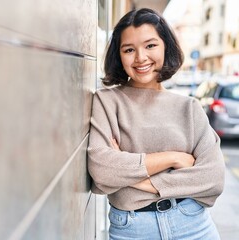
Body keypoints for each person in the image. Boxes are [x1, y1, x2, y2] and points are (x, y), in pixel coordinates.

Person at [87, 8, 225, 240]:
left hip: (193, 225)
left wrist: (135, 178)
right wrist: (173, 158)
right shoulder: (107, 101)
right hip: (132, 229)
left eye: (150, 45)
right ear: (119, 56)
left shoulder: (189, 107)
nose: (141, 57)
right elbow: (101, 169)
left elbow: (213, 178)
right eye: (129, 49)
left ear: (165, 47)